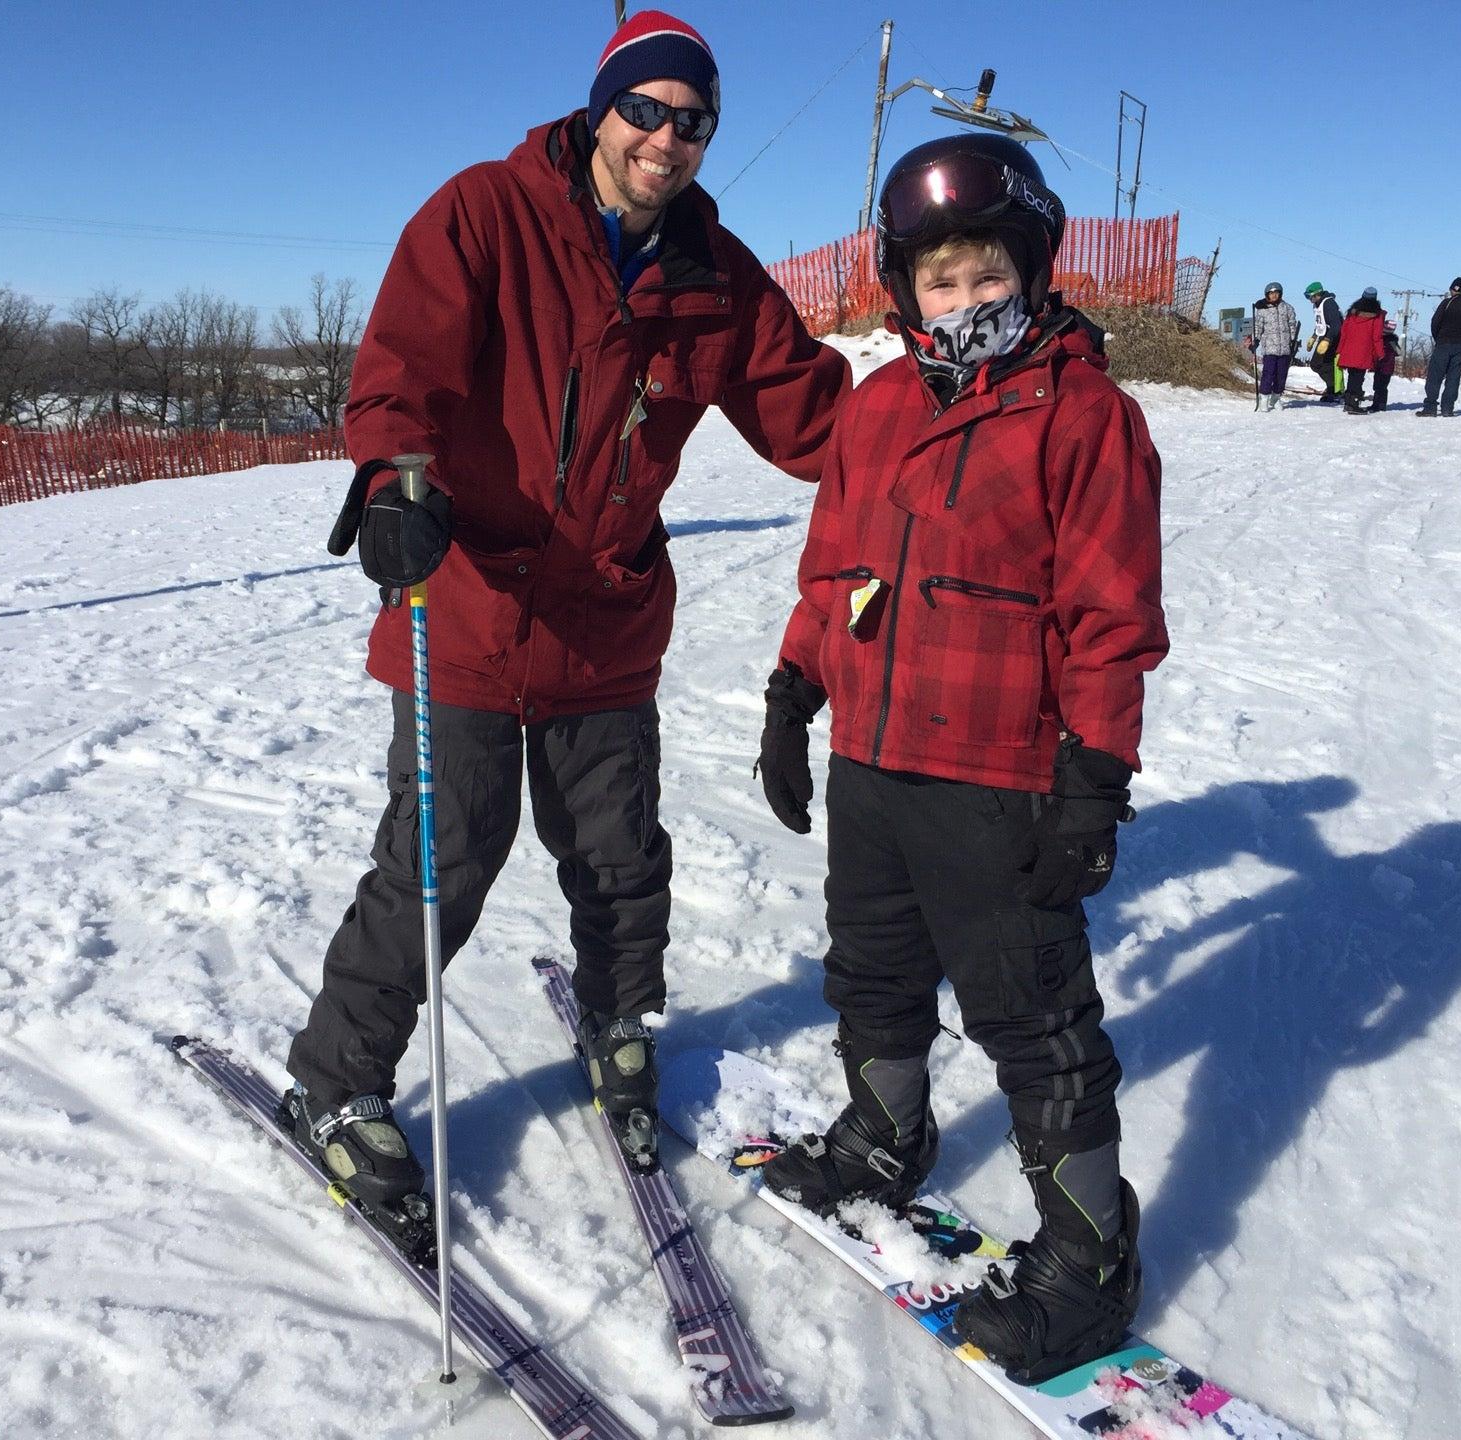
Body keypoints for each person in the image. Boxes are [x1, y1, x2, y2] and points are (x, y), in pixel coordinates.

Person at [285, 9, 851, 1231]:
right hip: (472, 603)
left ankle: (622, 1024)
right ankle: (335, 1083)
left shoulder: (715, 274)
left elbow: (820, 422)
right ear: (601, 110)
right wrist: (394, 478)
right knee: (442, 857)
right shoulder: (486, 214)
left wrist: (955, 411)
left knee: (616, 851)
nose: (666, 137)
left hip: (606, 616)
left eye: (691, 120)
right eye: (643, 109)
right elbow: (401, 367)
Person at [751, 133, 1168, 1384]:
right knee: (870, 973)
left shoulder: (1086, 415)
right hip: (874, 760)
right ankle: (884, 1137)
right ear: (905, 290)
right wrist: (791, 686)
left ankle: (1089, 1259)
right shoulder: (878, 406)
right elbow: (839, 571)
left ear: (1032, 267)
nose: (966, 299)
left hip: (1000, 776)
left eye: (987, 272)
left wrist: (1094, 777)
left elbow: (1109, 618)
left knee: (1033, 1020)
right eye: (940, 280)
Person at [1417, 276, 1461, 417]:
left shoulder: (1447, 303)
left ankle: (1430, 407)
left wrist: (1438, 338)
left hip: (1443, 344)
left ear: (1453, 288)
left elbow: (1435, 322)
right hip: (1460, 346)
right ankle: (1447, 408)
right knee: (1453, 378)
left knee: (1435, 376)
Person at [1248, 281, 1300, 409]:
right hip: (1270, 348)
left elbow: (1292, 325)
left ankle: (1276, 397)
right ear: (1267, 295)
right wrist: (1256, 341)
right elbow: (1258, 327)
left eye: (1276, 293)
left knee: (1281, 375)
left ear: (1280, 294)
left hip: (1284, 348)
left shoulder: (1287, 308)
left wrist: (1293, 341)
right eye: (1271, 294)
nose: (1274, 296)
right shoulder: (1262, 310)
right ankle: (1264, 398)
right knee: (1268, 373)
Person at [1337, 288, 1386, 413]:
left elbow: (1344, 331)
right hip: (1364, 351)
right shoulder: (1377, 315)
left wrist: (1340, 349)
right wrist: (1380, 353)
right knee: (1358, 378)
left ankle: (1348, 402)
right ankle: (1353, 404)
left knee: (1352, 376)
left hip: (1349, 349)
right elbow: (1377, 337)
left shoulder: (1352, 313)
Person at [1302, 281, 1343, 399]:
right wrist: (1314, 337)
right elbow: (1321, 324)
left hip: (1332, 338)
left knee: (1318, 364)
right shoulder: (1317, 305)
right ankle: (1333, 389)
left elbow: (1336, 325)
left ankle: (1334, 389)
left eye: (1309, 296)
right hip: (1324, 337)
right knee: (1324, 365)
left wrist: (1328, 340)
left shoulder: (1329, 303)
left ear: (1316, 294)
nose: (1309, 299)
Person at [1372, 320, 1399, 411]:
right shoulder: (1391, 340)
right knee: (1379, 386)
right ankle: (1378, 404)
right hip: (1383, 367)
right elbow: (1399, 352)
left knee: (1381, 386)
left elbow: (1399, 352)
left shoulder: (1389, 341)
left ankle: (1380, 405)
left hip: (1385, 366)